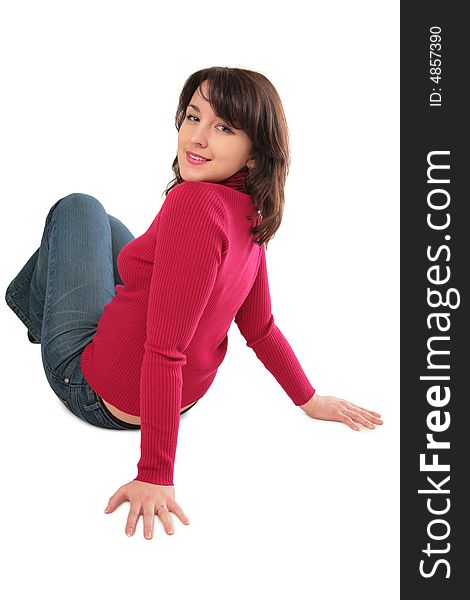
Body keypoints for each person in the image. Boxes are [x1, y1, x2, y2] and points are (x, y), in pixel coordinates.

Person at [4, 66, 383, 540]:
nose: (197, 138)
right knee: (110, 225)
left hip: (93, 387)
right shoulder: (251, 210)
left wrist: (155, 475)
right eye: (193, 117)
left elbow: (164, 352)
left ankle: (28, 306)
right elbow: (261, 327)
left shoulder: (193, 206)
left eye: (224, 127)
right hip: (181, 399)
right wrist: (309, 399)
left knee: (78, 207)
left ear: (256, 150)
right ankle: (49, 295)